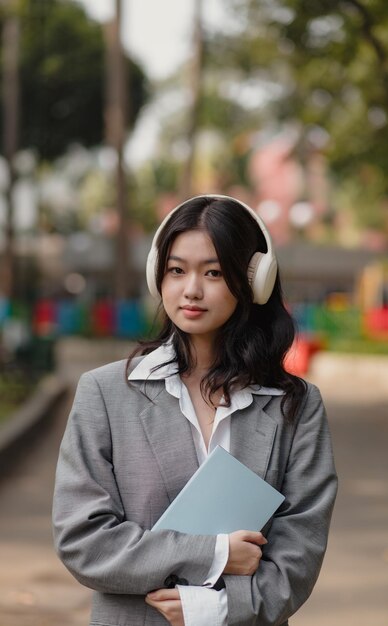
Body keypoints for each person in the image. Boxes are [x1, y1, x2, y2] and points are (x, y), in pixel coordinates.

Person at [53, 194, 338, 626]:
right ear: (157, 277)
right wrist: (214, 554)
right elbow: (83, 540)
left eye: (214, 272)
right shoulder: (106, 394)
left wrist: (218, 609)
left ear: (253, 280)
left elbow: (301, 547)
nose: (191, 289)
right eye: (176, 270)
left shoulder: (295, 405)